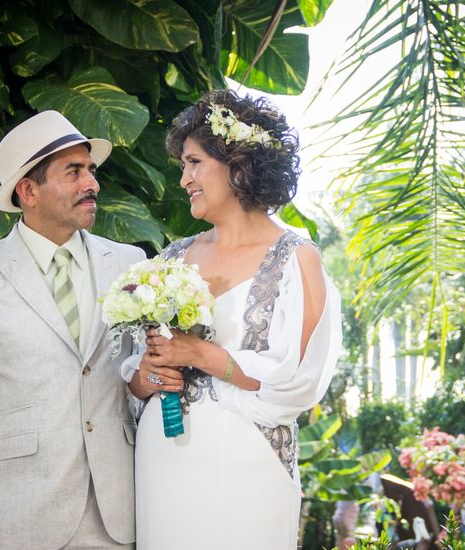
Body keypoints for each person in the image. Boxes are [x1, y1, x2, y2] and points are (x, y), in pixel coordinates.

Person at [123, 90, 342, 549]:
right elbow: (131, 378)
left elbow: (298, 382)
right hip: (163, 460)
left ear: (237, 163)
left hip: (248, 464)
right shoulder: (172, 258)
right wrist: (149, 374)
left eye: (194, 162)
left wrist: (200, 354)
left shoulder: (296, 261)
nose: (184, 179)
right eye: (183, 166)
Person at [0, 111, 145, 549]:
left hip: (120, 519)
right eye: (74, 172)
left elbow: (138, 378)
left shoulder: (129, 265)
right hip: (17, 521)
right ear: (28, 190)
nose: (93, 184)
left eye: (91, 170)